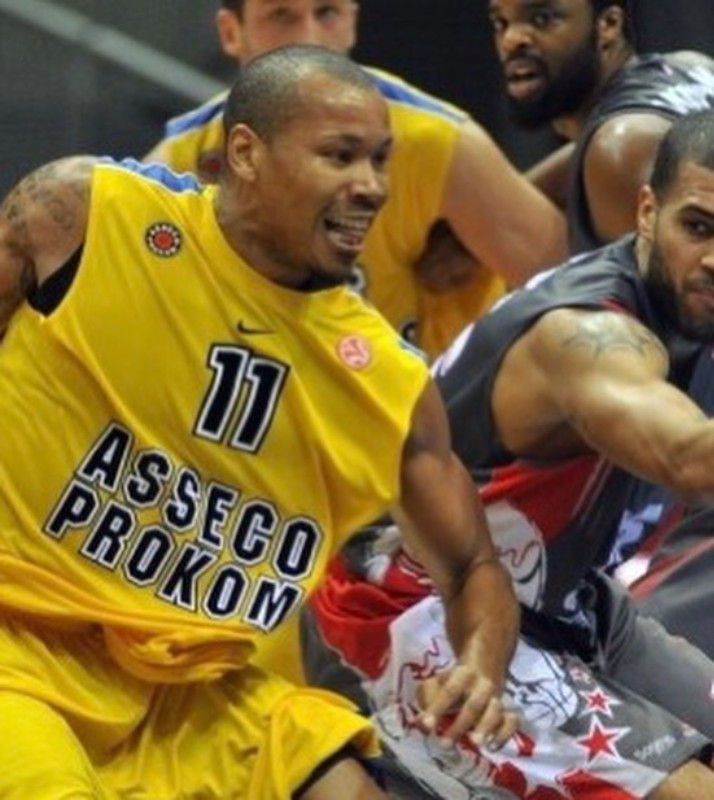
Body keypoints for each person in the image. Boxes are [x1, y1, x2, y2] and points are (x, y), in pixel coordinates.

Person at [0, 45, 520, 799]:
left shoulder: (383, 377)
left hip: (202, 695)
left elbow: (474, 566)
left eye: (380, 160)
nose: (372, 186)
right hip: (22, 648)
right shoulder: (84, 217)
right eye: (339, 156)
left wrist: (479, 667)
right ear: (245, 152)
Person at [304, 111, 714, 798]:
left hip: (556, 596)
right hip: (417, 606)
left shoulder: (675, 296)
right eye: (697, 227)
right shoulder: (585, 336)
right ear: (647, 211)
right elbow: (688, 457)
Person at [145, 0, 568, 361]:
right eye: (281, 16)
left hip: (426, 413)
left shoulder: (436, 142)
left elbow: (573, 285)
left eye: (327, 12)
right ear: (231, 32)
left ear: (352, 19)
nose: (308, 38)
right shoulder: (182, 162)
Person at [487, 0, 714, 253]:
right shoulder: (691, 65)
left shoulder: (620, 151)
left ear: (609, 24)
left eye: (541, 19)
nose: (510, 40)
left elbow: (677, 277)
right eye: (501, 23)